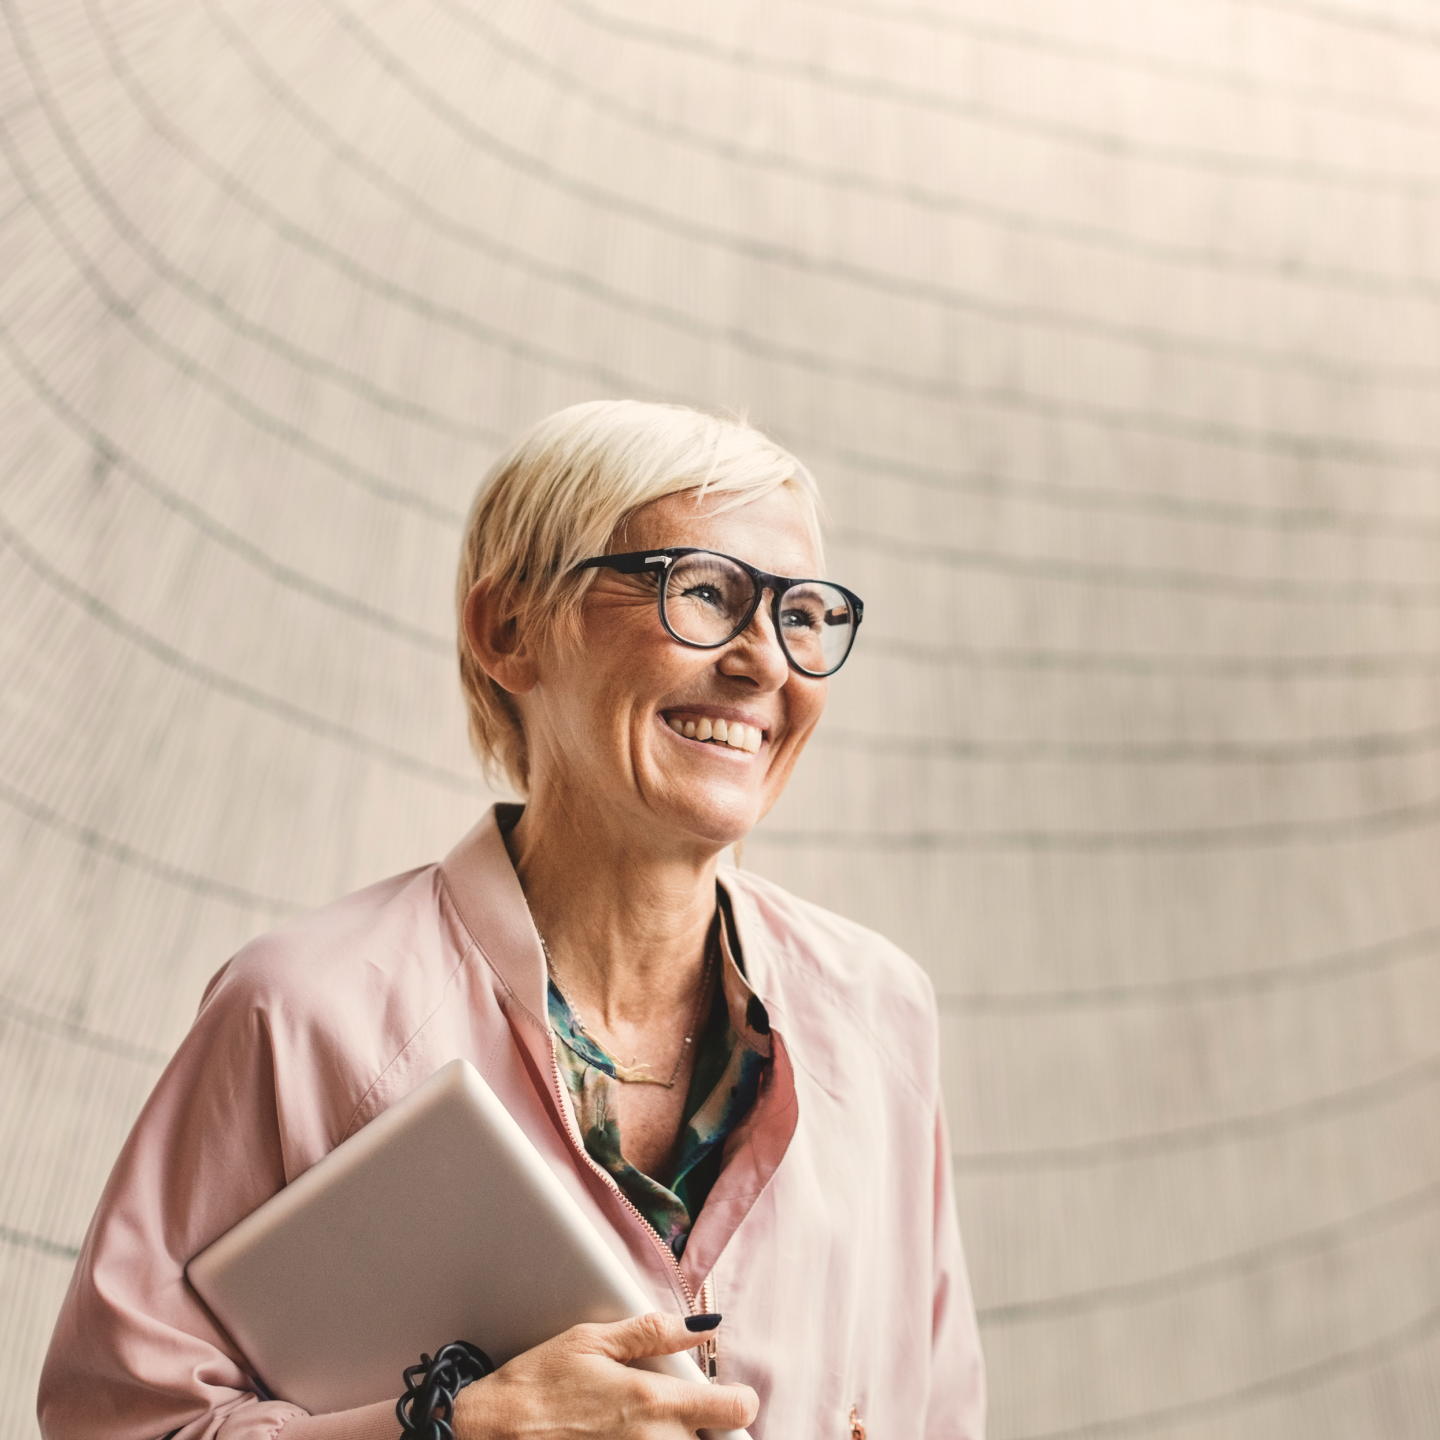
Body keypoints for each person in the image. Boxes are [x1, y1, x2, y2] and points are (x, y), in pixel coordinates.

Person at [38, 401, 985, 1440]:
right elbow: (111, 1423)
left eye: (802, 613)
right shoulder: (301, 1016)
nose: (765, 660)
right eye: (705, 592)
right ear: (511, 631)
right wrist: (449, 1431)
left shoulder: (883, 1013)